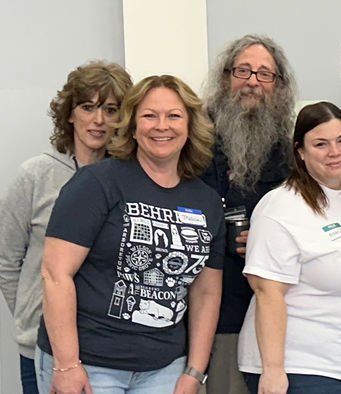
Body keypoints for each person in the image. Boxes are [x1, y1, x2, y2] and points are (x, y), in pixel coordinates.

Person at [35, 75, 225, 394]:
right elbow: (55, 274)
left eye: (174, 115)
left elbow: (206, 293)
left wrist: (194, 372)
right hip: (89, 364)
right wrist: (67, 365)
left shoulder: (206, 201)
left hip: (164, 369)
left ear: (191, 126)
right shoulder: (97, 183)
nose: (161, 125)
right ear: (132, 126)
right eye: (149, 115)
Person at [237, 101, 341, 394]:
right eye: (321, 144)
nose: (335, 152)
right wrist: (274, 371)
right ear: (300, 151)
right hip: (300, 367)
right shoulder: (280, 206)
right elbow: (268, 293)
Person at [0, 61, 132, 394]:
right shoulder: (35, 175)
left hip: (110, 347)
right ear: (70, 114)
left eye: (111, 109)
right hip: (40, 349)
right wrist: (32, 316)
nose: (99, 120)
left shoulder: (131, 181)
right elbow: (6, 260)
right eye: (88, 107)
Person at [200, 34, 297, 394]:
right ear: (225, 78)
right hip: (220, 314)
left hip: (284, 320)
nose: (253, 81)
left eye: (264, 74)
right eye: (243, 71)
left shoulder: (293, 154)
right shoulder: (192, 145)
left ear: (280, 87)